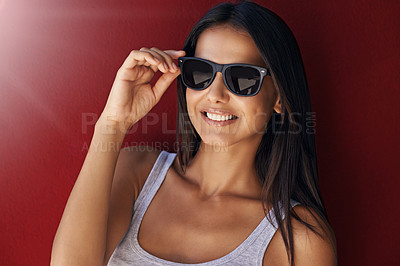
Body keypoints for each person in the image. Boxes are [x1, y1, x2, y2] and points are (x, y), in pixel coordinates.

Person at [51, 1, 337, 265]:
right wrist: (112, 125)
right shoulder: (136, 173)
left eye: (242, 78)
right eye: (200, 72)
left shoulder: (299, 239)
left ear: (279, 99)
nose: (215, 94)